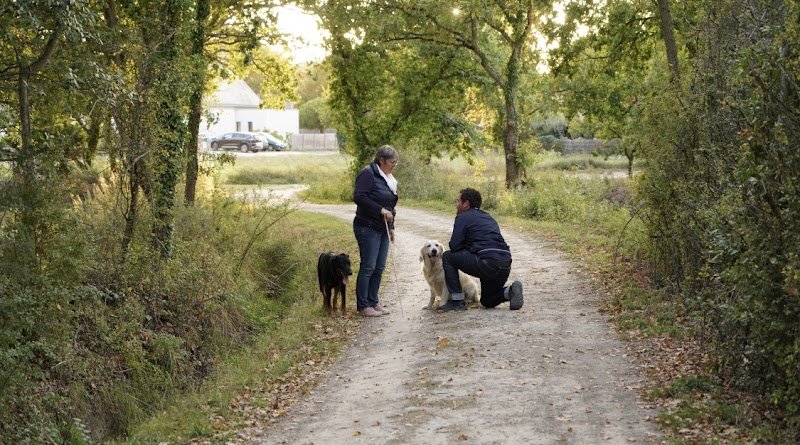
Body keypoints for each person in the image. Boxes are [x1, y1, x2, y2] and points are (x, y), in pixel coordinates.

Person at [438, 187, 523, 312]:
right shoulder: (488, 217)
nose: (456, 204)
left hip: (486, 262)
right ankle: (510, 291)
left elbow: (455, 246)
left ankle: (457, 301)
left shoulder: (462, 217)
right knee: (487, 301)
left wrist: (467, 246)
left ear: (466, 204)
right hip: (505, 264)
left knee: (448, 256)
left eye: (458, 201)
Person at [353, 145, 399, 317]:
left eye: (395, 162)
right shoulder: (367, 174)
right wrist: (380, 210)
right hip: (367, 227)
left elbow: (390, 205)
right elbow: (359, 197)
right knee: (368, 266)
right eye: (392, 162)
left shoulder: (389, 179)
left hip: (383, 228)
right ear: (381, 160)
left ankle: (373, 302)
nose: (394, 165)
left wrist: (391, 227)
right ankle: (363, 306)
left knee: (379, 267)